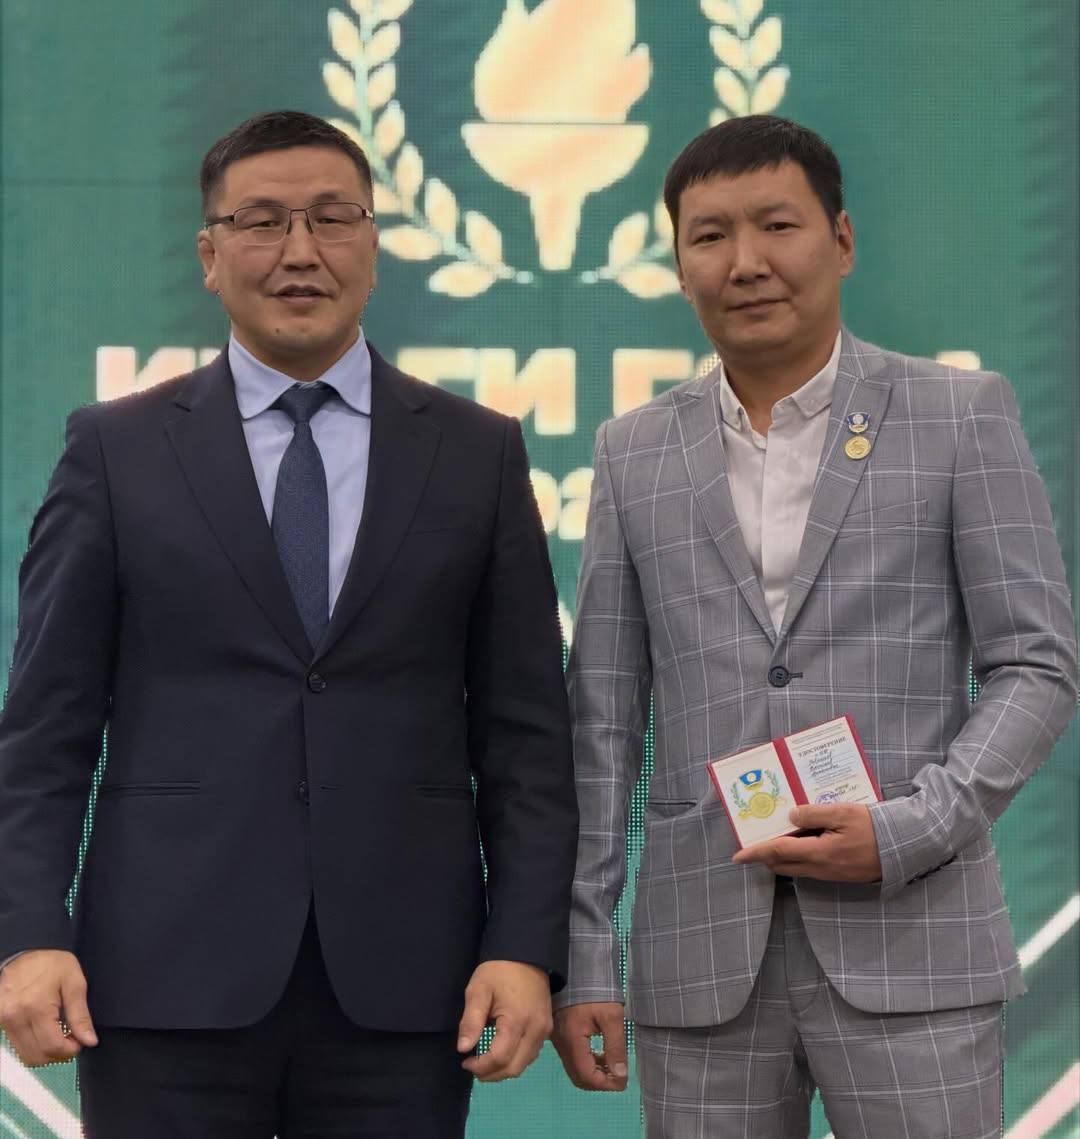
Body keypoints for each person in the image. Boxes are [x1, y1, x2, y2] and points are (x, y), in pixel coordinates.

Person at [0, 109, 578, 1138]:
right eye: (262, 221)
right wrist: (27, 933)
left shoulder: (476, 452)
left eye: (331, 218)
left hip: (407, 984)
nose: (300, 250)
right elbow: (45, 729)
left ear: (374, 246)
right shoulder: (115, 449)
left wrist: (523, 944)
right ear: (209, 256)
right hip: (162, 978)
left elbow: (526, 737)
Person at [551, 114, 1076, 1137]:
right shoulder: (632, 451)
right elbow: (602, 722)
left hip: (915, 938)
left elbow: (1038, 664)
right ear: (679, 265)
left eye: (777, 225)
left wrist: (911, 826)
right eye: (710, 236)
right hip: (701, 960)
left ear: (841, 239)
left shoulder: (960, 413)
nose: (745, 262)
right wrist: (585, 955)